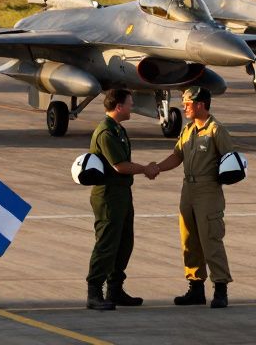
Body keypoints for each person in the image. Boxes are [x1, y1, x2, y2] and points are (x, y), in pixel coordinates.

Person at [151, 86, 235, 308]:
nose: (184, 107)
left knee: (210, 240)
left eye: (188, 103)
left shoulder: (216, 130)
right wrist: (156, 168)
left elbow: (232, 160)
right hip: (187, 189)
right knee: (189, 239)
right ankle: (195, 287)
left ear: (200, 104)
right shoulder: (188, 129)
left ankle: (220, 288)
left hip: (208, 190)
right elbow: (177, 155)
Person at [85, 88, 158, 311]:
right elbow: (120, 166)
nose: (132, 106)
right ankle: (94, 291)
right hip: (108, 195)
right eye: (129, 103)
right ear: (119, 107)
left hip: (122, 193)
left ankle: (115, 289)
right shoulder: (106, 133)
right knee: (107, 244)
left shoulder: (118, 130)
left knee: (124, 242)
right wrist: (146, 169)